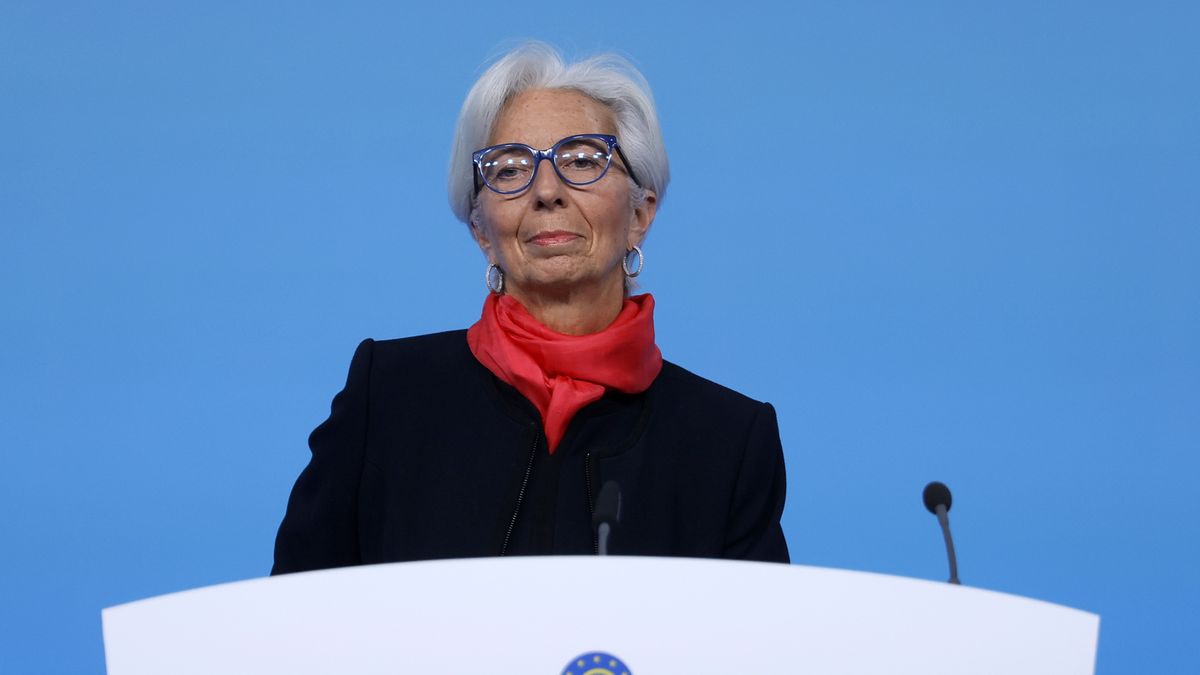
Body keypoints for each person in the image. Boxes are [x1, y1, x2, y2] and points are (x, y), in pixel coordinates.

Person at [272, 42, 789, 574]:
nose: (547, 190)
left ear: (641, 213)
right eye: (511, 168)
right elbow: (291, 620)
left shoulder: (726, 439)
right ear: (480, 229)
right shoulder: (387, 397)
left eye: (583, 160)